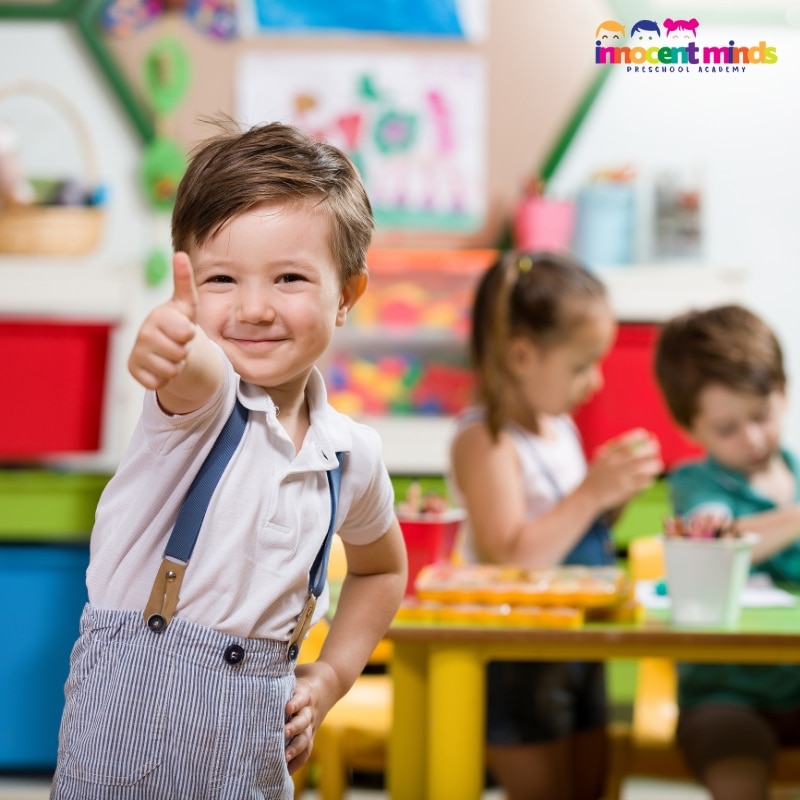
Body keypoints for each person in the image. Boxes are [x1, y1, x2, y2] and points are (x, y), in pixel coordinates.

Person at [50, 120, 407, 800]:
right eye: (220, 279)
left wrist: (330, 677)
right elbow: (192, 369)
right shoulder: (202, 405)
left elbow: (383, 568)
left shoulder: (352, 455)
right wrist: (170, 345)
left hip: (251, 756)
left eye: (290, 278)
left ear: (346, 297)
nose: (252, 308)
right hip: (123, 744)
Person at [449, 250, 663, 800]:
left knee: (593, 786)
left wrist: (610, 496)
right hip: (524, 654)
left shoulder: (558, 427)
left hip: (580, 643)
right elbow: (510, 556)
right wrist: (591, 491)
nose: (594, 383)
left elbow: (568, 529)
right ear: (521, 356)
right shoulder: (486, 440)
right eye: (582, 364)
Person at [654, 304, 800, 800]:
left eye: (761, 415)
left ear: (783, 392)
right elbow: (712, 539)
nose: (753, 438)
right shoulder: (697, 484)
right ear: (691, 429)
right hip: (726, 696)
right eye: (727, 427)